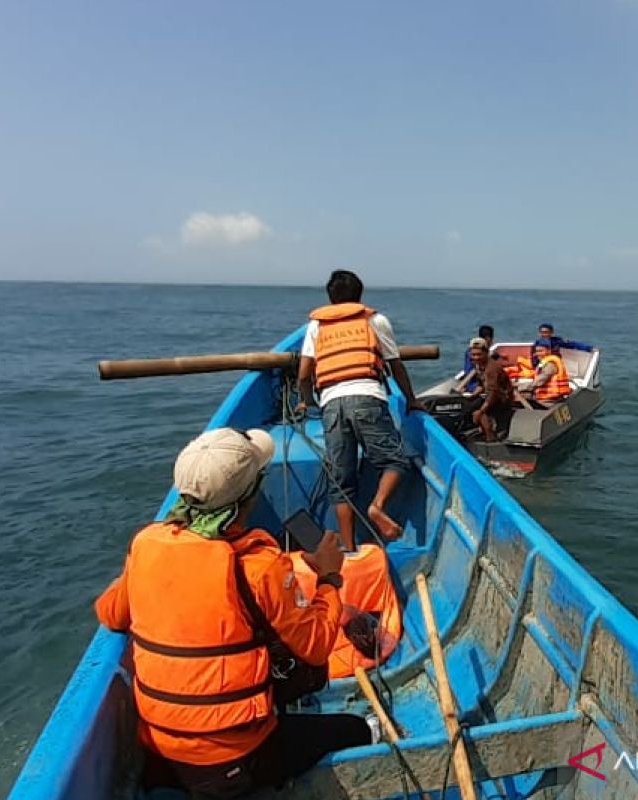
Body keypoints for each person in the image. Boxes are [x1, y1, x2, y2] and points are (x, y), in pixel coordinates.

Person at [94, 427, 373, 798]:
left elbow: (111, 615)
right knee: (356, 729)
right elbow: (317, 646)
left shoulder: (146, 543)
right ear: (250, 495)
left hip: (161, 750)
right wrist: (329, 578)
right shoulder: (258, 565)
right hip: (235, 759)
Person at [296, 270, 423, 551]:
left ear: (330, 299)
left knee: (341, 480)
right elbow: (395, 365)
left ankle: (350, 547)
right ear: (359, 294)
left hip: (331, 404)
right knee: (395, 461)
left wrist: (307, 400)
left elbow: (304, 374)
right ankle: (377, 506)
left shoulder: (317, 326)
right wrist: (411, 399)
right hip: (367, 397)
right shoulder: (375, 320)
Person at [467, 337, 514, 441]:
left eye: (479, 354)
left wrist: (481, 410)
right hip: (490, 394)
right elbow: (481, 384)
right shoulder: (479, 365)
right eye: (473, 355)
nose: (476, 357)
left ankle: (490, 436)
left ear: (486, 353)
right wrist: (471, 396)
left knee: (478, 411)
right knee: (468, 405)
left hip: (502, 399)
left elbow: (493, 393)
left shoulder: (492, 369)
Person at [517, 338, 572, 406]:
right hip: (543, 397)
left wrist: (518, 387)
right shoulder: (543, 363)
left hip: (550, 400)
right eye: (537, 351)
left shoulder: (550, 365)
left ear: (548, 351)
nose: (538, 354)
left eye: (541, 351)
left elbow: (538, 382)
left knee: (518, 394)